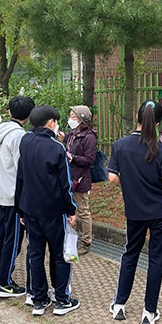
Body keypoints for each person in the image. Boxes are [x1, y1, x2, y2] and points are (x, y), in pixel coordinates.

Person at [107, 100, 162, 324]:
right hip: (160, 212)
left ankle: (119, 305)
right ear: (157, 122)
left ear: (137, 118)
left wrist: (131, 183)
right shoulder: (160, 148)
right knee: (156, 260)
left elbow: (112, 177)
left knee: (130, 254)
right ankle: (149, 312)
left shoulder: (121, 145)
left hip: (134, 210)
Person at [15, 105, 80, 317]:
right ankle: (62, 298)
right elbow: (65, 184)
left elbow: (21, 177)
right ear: (51, 122)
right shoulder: (57, 148)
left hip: (30, 208)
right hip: (53, 211)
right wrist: (71, 210)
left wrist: (20, 209)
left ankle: (39, 299)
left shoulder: (25, 141)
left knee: (35, 254)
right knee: (60, 254)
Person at [0, 96, 35, 298]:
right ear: (30, 115)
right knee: (13, 240)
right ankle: (4, 283)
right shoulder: (18, 136)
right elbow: (21, 167)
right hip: (12, 194)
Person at [61, 105, 97, 255]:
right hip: (70, 177)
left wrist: (73, 157)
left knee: (83, 211)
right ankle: (71, 240)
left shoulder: (89, 137)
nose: (70, 119)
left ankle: (86, 241)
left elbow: (89, 159)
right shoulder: (73, 134)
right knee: (70, 210)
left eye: (73, 116)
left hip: (80, 179)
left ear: (82, 119)